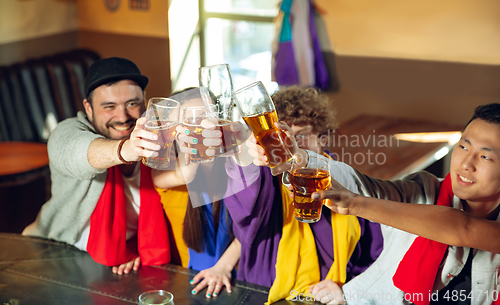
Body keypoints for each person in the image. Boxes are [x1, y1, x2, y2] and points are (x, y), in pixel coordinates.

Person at [247, 103, 500, 305]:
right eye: (464, 146)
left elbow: (461, 228)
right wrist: (301, 158)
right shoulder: (425, 189)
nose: (466, 163)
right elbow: (369, 187)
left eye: (486, 156)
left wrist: (355, 204)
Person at [23, 57, 186, 275]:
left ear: (145, 101)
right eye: (109, 106)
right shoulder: (67, 132)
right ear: (88, 109)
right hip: (57, 251)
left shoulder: (158, 135)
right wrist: (127, 150)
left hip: (128, 257)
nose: (123, 117)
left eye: (132, 103)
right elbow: (79, 152)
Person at [270, 86, 383, 302]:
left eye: (301, 136)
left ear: (323, 139)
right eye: (284, 136)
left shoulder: (350, 183)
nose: (292, 145)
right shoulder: (270, 185)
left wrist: (349, 289)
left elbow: (376, 254)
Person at [153, 87, 241, 299]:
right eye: (186, 123)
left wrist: (223, 267)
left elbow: (255, 226)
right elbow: (184, 174)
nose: (199, 127)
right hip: (190, 282)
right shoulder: (163, 173)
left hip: (238, 277)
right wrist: (191, 149)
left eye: (203, 117)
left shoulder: (239, 166)